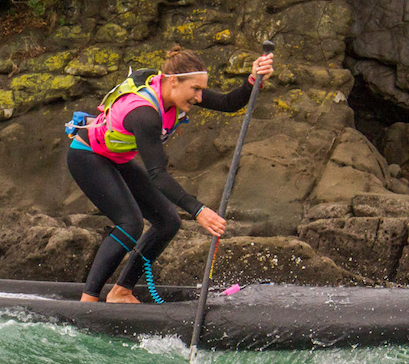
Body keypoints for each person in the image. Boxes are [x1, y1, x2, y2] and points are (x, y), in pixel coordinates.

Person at [66, 46, 274, 303]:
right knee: (130, 223)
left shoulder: (176, 92)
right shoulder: (144, 114)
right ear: (173, 81)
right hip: (86, 156)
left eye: (201, 90)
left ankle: (121, 291)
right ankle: (88, 302)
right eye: (196, 89)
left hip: (115, 158)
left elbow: (228, 103)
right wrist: (199, 210)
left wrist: (254, 79)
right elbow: (157, 175)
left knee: (168, 221)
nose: (199, 97)